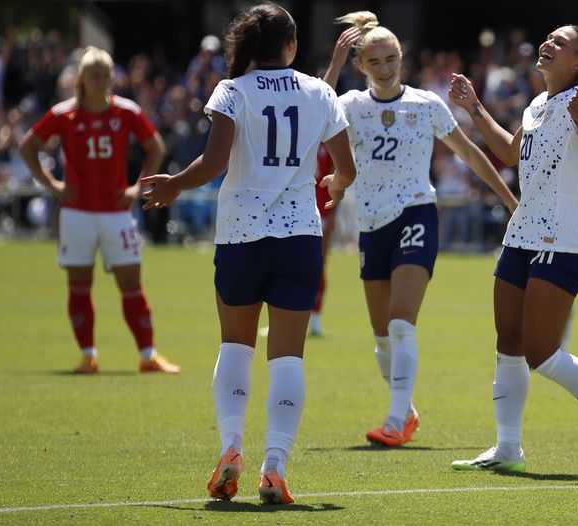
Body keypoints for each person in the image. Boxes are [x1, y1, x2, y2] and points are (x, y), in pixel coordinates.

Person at [141, 3, 356, 504]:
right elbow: (345, 166)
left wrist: (173, 184)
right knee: (288, 358)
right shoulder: (319, 91)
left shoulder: (232, 91)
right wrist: (336, 186)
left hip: (241, 235)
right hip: (300, 237)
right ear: (291, 46)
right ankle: (275, 467)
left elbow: (214, 162)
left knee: (236, 347)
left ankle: (231, 449)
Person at [448, 25, 578, 475]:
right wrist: (474, 107)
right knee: (509, 344)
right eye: (549, 39)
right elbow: (510, 153)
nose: (548, 45)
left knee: (541, 353)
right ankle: (508, 448)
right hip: (521, 234)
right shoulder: (539, 103)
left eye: (560, 43)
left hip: (562, 238)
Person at [323, 12, 518, 447]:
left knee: (399, 323)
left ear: (402, 56)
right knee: (380, 337)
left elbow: (468, 154)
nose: (386, 68)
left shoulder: (426, 104)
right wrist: (334, 65)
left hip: (416, 214)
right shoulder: (350, 105)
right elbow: (315, 112)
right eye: (375, 62)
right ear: (361, 66)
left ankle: (394, 422)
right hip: (373, 225)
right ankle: (406, 410)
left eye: (391, 58)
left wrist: (509, 201)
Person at [19, 46, 179, 375]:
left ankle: (148, 354)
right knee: (79, 284)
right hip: (77, 213)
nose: (102, 81)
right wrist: (53, 185)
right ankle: (88, 355)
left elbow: (156, 147)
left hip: (116, 212)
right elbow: (28, 146)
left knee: (132, 284)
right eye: (95, 75)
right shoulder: (65, 114)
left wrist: (137, 188)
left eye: (106, 74)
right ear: (82, 78)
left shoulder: (126, 112)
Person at [308, 144, 337, 337]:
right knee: (286, 265)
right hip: (293, 209)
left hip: (321, 211)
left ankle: (315, 318)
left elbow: (337, 176)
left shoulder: (329, 143)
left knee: (318, 263)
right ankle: (280, 317)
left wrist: (333, 211)